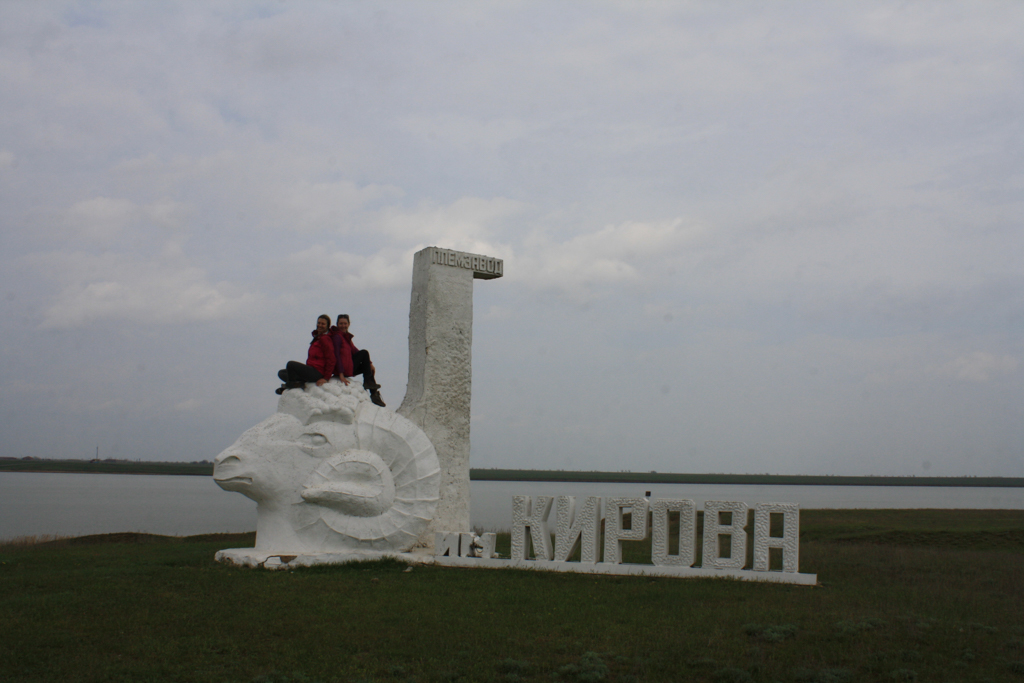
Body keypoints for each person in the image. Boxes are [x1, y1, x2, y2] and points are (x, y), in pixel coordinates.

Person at [330, 314, 385, 406]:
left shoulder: (346, 337)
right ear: (337, 324)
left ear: (349, 324)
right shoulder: (337, 337)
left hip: (349, 367)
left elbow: (355, 350)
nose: (343, 326)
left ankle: (374, 394)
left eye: (345, 323)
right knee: (364, 353)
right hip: (343, 370)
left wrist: (370, 364)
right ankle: (369, 385)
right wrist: (341, 374)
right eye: (341, 323)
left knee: (366, 364)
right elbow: (336, 355)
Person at [275, 315, 336, 395]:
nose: (320, 325)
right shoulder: (317, 338)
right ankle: (298, 383)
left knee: (291, 365)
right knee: (282, 373)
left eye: (323, 324)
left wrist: (326, 378)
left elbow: (331, 359)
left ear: (327, 326)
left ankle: (290, 386)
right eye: (318, 323)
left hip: (317, 372)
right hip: (311, 369)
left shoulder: (325, 339)